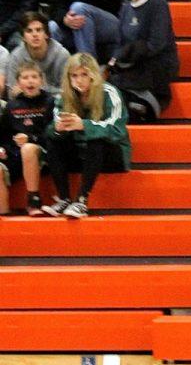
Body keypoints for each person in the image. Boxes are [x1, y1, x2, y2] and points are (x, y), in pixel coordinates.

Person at [43, 52, 130, 218]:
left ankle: (81, 200)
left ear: (93, 75)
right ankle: (64, 199)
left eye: (84, 74)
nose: (79, 80)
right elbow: (50, 129)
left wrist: (84, 125)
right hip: (80, 154)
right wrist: (58, 128)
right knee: (53, 139)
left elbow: (118, 130)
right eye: (74, 75)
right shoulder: (64, 96)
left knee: (95, 140)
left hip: (111, 154)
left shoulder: (109, 92)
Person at [108, 0, 178, 121]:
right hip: (134, 61)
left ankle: (145, 104)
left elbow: (157, 44)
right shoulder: (126, 7)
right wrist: (116, 59)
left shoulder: (157, 3)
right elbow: (120, 43)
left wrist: (128, 56)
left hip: (156, 62)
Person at [0, 62, 54, 217]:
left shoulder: (50, 102)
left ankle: (33, 200)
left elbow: (53, 133)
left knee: (28, 148)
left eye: (34, 77)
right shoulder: (11, 106)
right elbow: (4, 135)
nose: (30, 81)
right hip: (15, 155)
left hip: (43, 153)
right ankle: (4, 219)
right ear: (18, 83)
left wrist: (30, 138)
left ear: (41, 80)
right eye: (25, 77)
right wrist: (3, 149)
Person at [6, 12, 70, 96]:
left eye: (39, 30)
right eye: (29, 31)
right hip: (26, 105)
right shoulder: (16, 57)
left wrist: (37, 90)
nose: (35, 34)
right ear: (23, 37)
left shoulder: (62, 55)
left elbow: (68, 93)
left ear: (46, 34)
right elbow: (12, 92)